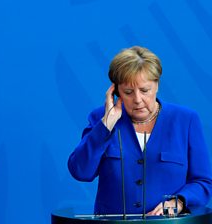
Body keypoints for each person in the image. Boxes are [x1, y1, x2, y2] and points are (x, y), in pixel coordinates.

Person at [68, 46, 212, 216]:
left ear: (157, 85)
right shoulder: (100, 119)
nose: (137, 99)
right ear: (115, 91)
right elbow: (80, 171)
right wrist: (106, 125)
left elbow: (203, 182)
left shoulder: (186, 120)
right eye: (128, 92)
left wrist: (179, 201)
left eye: (145, 90)